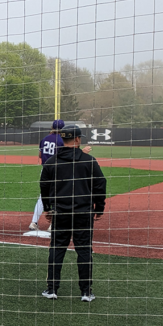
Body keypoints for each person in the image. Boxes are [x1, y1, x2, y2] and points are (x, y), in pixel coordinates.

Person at [39, 125, 106, 303]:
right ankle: (86, 292)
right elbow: (100, 184)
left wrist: (48, 209)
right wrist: (99, 208)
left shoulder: (51, 162)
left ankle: (52, 289)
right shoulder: (89, 161)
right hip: (83, 212)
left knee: (57, 248)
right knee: (84, 250)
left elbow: (44, 187)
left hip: (60, 213)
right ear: (77, 140)